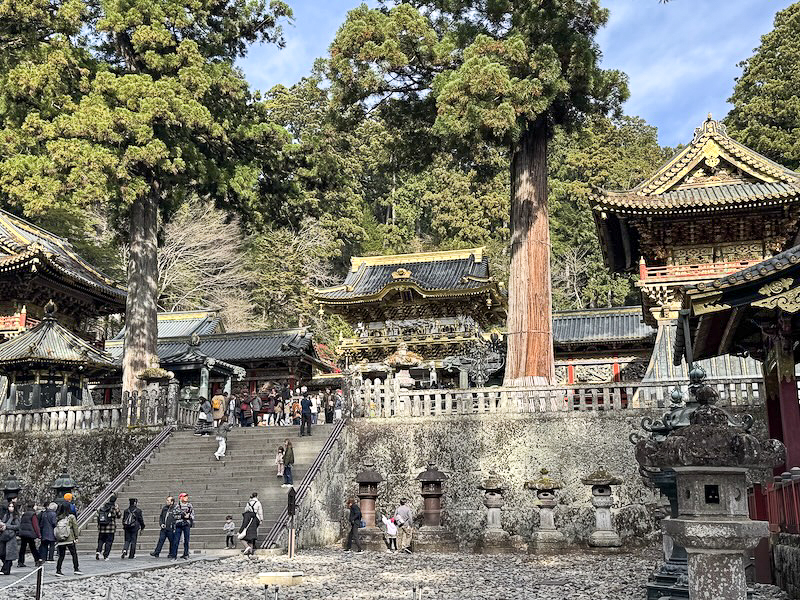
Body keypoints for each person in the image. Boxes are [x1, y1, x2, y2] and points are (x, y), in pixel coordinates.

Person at [53, 503, 81, 577]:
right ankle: (76, 569)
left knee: (61, 556)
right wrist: (76, 537)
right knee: (74, 554)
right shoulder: (71, 517)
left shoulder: (58, 517)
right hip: (69, 538)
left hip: (60, 540)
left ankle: (58, 570)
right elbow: (75, 527)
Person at [95, 494, 121, 561]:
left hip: (102, 528)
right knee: (109, 542)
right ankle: (106, 555)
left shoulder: (103, 506)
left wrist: (98, 525)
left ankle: (98, 551)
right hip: (110, 528)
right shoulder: (114, 507)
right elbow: (119, 515)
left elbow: (98, 516)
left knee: (101, 540)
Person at [172, 493, 194, 559]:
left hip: (186, 524)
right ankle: (174, 555)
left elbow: (193, 515)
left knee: (186, 540)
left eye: (186, 496)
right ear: (181, 498)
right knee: (176, 540)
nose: (186, 498)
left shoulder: (190, 506)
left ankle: (186, 554)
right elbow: (174, 516)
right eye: (184, 496)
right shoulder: (177, 506)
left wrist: (189, 516)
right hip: (179, 524)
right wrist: (182, 516)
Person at [0, 501, 20, 575]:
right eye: (9, 506)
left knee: (9, 555)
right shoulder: (6, 515)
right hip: (3, 536)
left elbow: (17, 526)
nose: (10, 508)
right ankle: (5, 568)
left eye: (12, 507)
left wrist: (6, 526)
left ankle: (6, 569)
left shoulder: (16, 516)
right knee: (2, 553)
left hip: (10, 537)